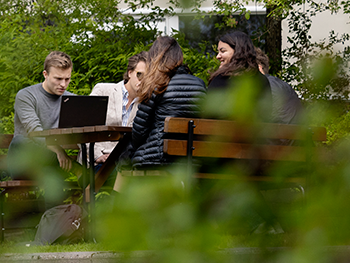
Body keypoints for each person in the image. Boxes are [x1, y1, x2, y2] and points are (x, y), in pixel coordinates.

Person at [128, 36, 207, 168]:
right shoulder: (199, 84)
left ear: (155, 58)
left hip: (158, 157)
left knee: (124, 157)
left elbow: (139, 131)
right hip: (192, 159)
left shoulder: (157, 84)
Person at [12, 51, 76, 169]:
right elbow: (35, 132)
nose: (63, 84)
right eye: (58, 78)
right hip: (24, 161)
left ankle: (90, 174)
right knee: (20, 141)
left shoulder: (72, 100)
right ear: (45, 74)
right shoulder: (26, 96)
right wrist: (59, 150)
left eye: (67, 79)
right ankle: (78, 170)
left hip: (54, 163)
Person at [87, 53, 146, 163]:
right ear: (130, 73)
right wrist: (96, 156)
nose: (142, 81)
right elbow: (84, 126)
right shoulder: (103, 91)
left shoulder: (146, 102)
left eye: (147, 78)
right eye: (139, 75)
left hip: (126, 161)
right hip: (98, 161)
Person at [206, 30, 271, 114]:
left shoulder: (222, 79)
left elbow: (211, 113)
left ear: (237, 51)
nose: (218, 56)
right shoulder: (262, 80)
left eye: (223, 51)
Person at [258, 53, 303, 124]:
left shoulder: (265, 86)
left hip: (276, 133)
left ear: (259, 68)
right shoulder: (284, 86)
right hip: (296, 132)